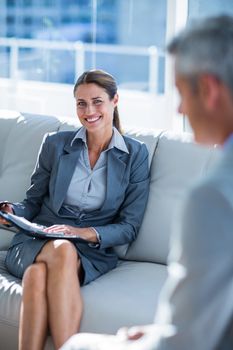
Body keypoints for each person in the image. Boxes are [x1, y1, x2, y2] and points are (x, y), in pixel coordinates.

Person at [60, 15, 233, 350]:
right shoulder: (59, 145)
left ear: (209, 89)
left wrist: (154, 337)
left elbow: (185, 341)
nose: (181, 107)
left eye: (182, 93)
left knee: (77, 346)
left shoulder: (212, 195)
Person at [0, 69, 150, 350]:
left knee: (37, 276)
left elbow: (129, 227)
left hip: (90, 252)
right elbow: (32, 203)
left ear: (114, 101)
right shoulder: (55, 144)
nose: (89, 110)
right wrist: (11, 211)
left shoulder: (136, 154)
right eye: (81, 103)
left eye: (97, 101)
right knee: (61, 250)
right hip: (35, 241)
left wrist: (80, 232)